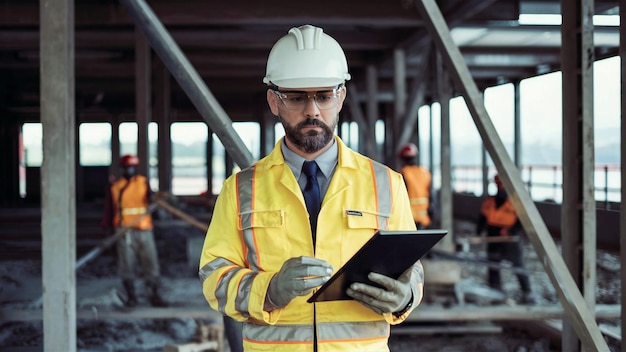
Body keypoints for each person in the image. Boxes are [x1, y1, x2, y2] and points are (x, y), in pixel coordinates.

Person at [199, 24, 423, 351]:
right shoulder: (240, 189)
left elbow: (410, 269)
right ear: (274, 101)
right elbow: (214, 279)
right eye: (296, 97)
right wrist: (271, 289)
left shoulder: (386, 183)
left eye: (324, 95)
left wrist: (406, 297)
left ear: (341, 97)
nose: (312, 110)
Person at [101, 154, 167, 308]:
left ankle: (154, 295)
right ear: (122, 168)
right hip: (125, 233)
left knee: (151, 264)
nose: (129, 170)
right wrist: (107, 231)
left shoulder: (143, 183)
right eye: (126, 167)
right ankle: (132, 298)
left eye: (131, 167)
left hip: (144, 230)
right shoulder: (115, 187)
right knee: (126, 266)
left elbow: (151, 201)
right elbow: (109, 211)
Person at [475, 174, 537, 305]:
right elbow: (482, 218)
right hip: (493, 237)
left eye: (500, 184)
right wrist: (479, 232)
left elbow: (523, 220)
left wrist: (511, 231)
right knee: (493, 265)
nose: (499, 187)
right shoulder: (490, 201)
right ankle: (495, 292)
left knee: (518, 266)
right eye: (497, 184)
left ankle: (527, 292)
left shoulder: (516, 202)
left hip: (510, 239)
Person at [398, 143, 434, 229]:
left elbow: (399, 197)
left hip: (408, 219)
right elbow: (432, 198)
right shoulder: (425, 173)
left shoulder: (403, 173)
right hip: (424, 220)